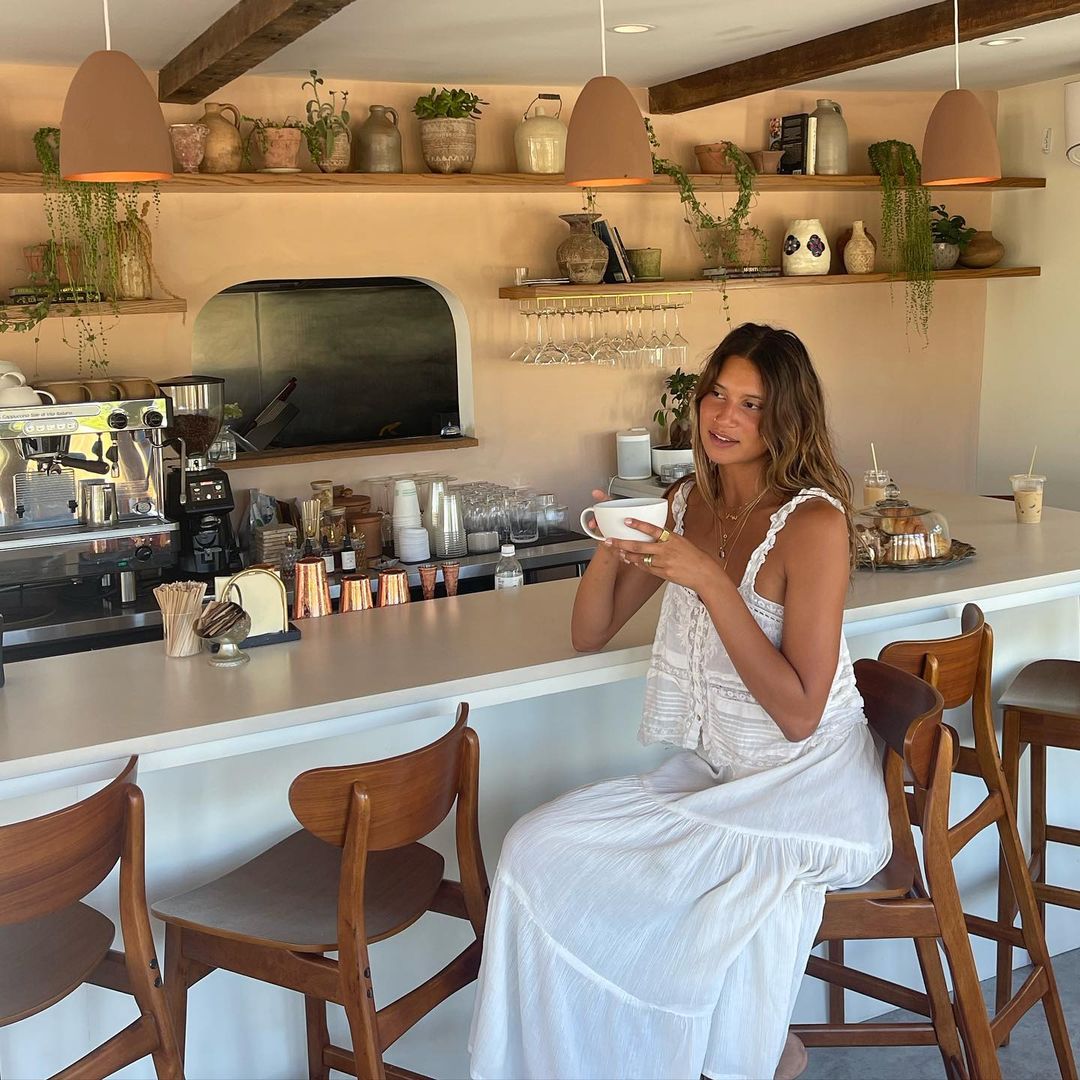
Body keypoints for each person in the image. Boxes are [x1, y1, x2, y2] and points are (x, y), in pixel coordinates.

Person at [469, 324, 891, 1080]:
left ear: (786, 418)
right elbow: (590, 632)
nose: (724, 417)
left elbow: (799, 716)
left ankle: (744, 1052)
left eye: (752, 405)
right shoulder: (687, 501)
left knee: (682, 911)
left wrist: (709, 581)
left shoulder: (814, 525)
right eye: (716, 395)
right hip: (718, 776)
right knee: (534, 847)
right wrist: (611, 543)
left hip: (807, 788)